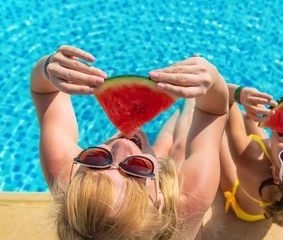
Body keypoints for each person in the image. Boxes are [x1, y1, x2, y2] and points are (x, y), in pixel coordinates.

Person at [30, 45, 229, 239]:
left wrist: (49, 68)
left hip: (154, 174)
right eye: (136, 168)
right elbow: (213, 112)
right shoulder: (191, 201)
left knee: (162, 146)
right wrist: (211, 80)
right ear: (159, 204)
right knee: (178, 149)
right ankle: (185, 107)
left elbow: (44, 92)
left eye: (97, 160)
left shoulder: (68, 181)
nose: (121, 144)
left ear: (72, 181)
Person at [219, 71, 283, 229]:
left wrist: (239, 94)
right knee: (251, 118)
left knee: (217, 135)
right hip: (269, 201)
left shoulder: (250, 159)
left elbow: (221, 99)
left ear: (276, 173)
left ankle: (184, 111)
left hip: (243, 208)